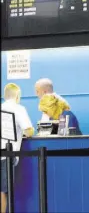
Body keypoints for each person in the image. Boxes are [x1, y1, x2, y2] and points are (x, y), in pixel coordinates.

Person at [1, 83, 34, 213]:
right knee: (3, 191)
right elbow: (29, 131)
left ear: (5, 95)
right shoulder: (19, 109)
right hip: (7, 156)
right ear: (18, 95)